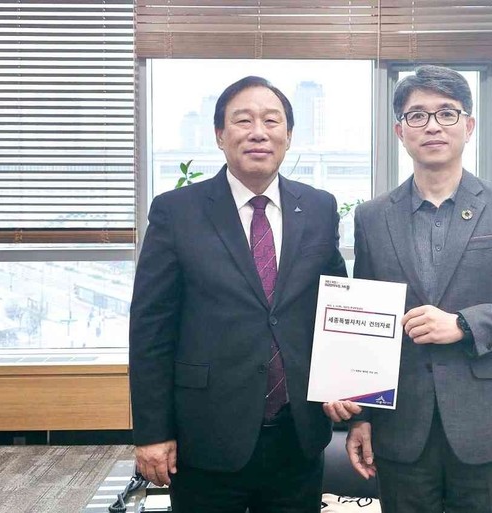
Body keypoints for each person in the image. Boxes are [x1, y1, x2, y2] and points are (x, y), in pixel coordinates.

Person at [324, 65, 492, 513]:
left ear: (468, 126)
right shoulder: (372, 217)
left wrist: (463, 324)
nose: (432, 125)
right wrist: (362, 416)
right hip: (401, 427)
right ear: (401, 131)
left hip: (485, 425)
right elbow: (366, 323)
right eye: (417, 115)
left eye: (446, 113)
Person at [129, 75, 347, 512]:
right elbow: (151, 329)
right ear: (219, 135)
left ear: (288, 136)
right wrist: (152, 432)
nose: (258, 132)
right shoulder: (177, 211)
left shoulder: (319, 207)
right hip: (206, 433)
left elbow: (336, 307)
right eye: (243, 121)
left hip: (297, 435)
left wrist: (349, 384)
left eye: (271, 121)